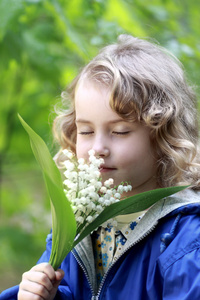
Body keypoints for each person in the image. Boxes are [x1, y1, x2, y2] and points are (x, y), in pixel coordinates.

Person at [1, 34, 200, 300]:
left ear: (163, 136)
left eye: (119, 131)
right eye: (85, 131)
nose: (97, 148)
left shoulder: (184, 239)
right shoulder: (76, 225)